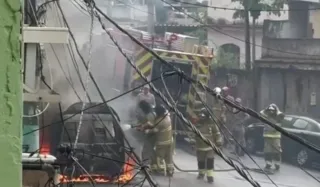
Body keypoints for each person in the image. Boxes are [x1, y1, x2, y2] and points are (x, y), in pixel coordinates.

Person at [144, 104, 174, 176]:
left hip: (162, 143)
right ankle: (170, 171)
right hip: (170, 141)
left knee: (159, 157)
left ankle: (160, 170)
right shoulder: (167, 117)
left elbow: (155, 130)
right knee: (169, 156)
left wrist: (147, 131)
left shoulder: (160, 121)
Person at [195, 108, 223, 183]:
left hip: (210, 147)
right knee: (201, 161)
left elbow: (217, 133)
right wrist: (192, 142)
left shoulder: (212, 123)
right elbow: (193, 134)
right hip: (200, 147)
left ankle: (210, 176)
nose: (201, 117)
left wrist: (219, 142)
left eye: (203, 116)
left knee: (210, 161)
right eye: (200, 116)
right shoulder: (197, 123)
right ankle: (201, 174)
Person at [260, 104, 284, 172]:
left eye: (272, 110)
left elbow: (281, 115)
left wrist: (276, 108)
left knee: (277, 151)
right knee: (268, 151)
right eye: (270, 110)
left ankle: (277, 164)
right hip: (267, 136)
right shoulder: (266, 116)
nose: (271, 112)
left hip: (276, 137)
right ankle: (268, 164)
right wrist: (266, 109)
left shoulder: (279, 116)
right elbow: (261, 113)